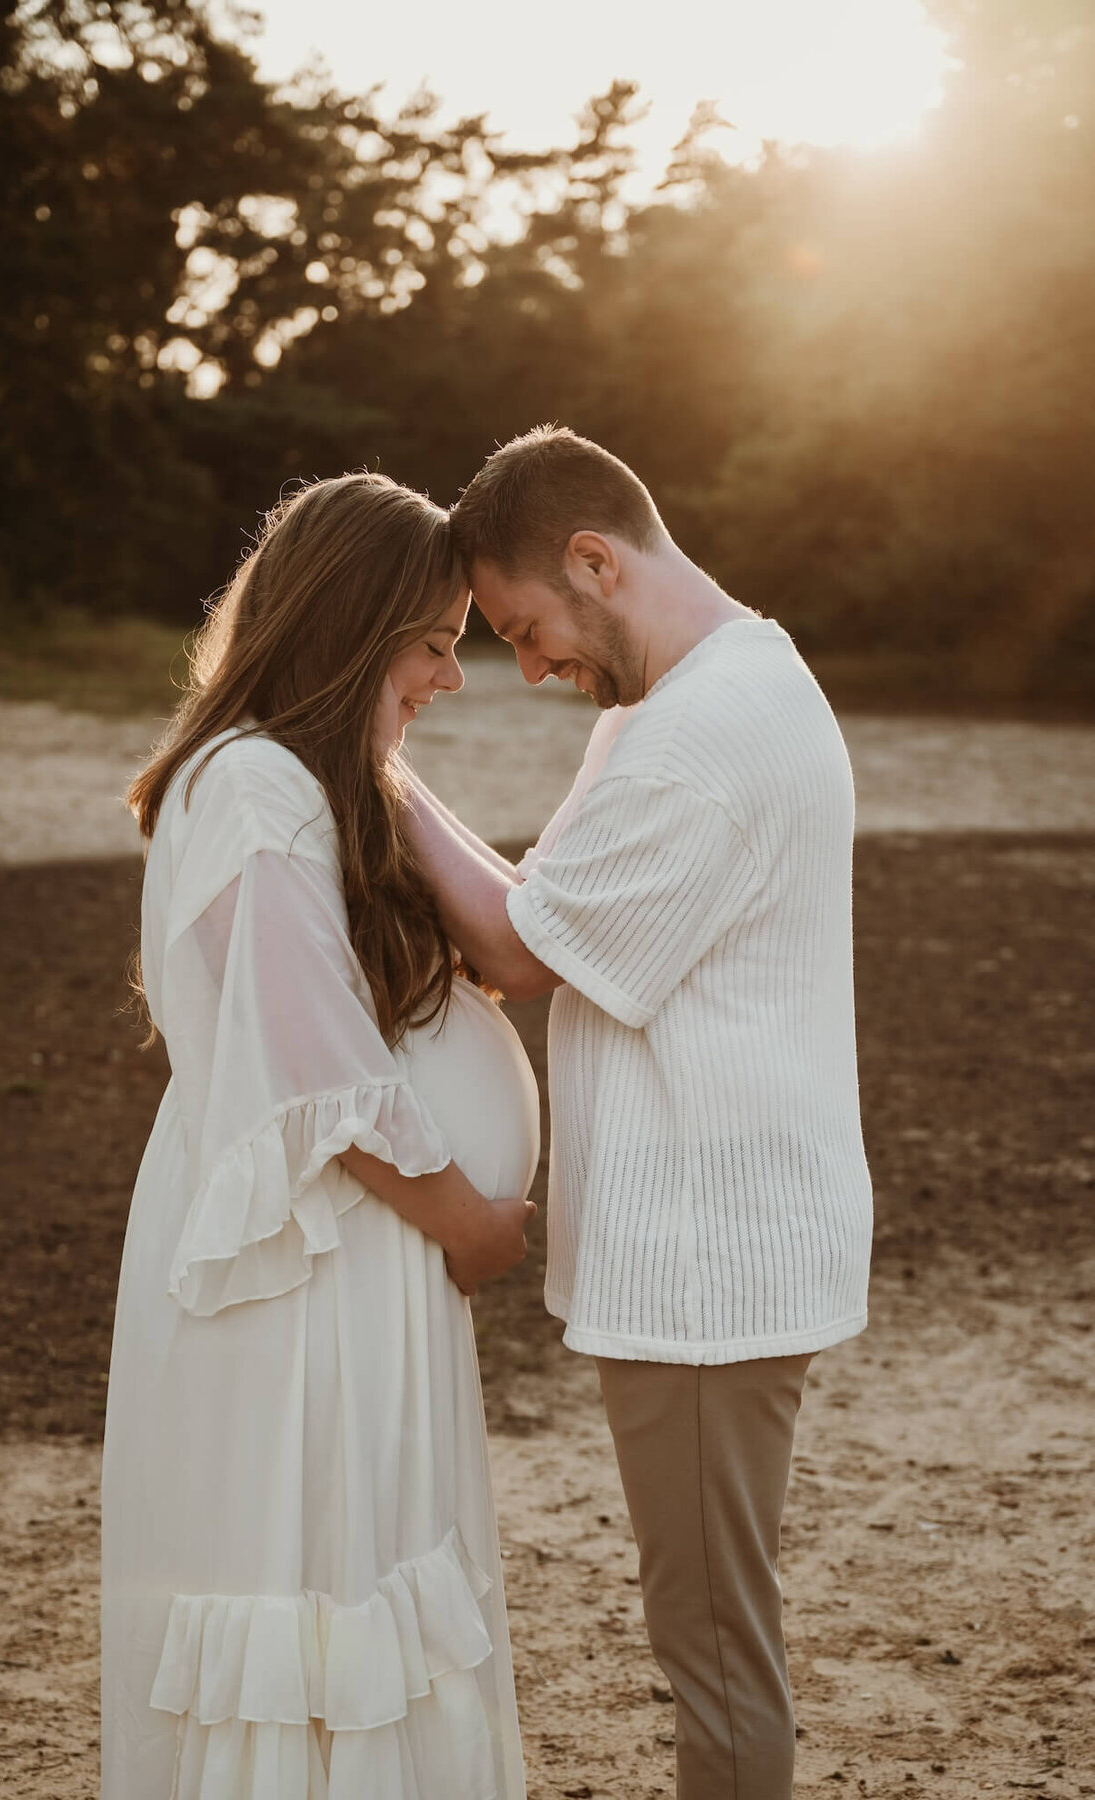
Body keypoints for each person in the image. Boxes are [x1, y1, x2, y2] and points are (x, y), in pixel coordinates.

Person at [404, 427, 873, 1800]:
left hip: (712, 1263)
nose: (534, 667)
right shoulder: (672, 708)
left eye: (528, 628)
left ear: (596, 560)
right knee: (713, 1635)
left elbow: (512, 949)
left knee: (718, 1652)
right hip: (710, 1242)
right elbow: (539, 900)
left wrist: (364, 760)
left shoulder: (705, 735)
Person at [102, 473, 538, 1800]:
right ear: (354, 624)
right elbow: (316, 1073)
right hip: (309, 1255)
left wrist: (375, 750)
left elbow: (514, 945)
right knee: (306, 1571)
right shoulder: (245, 787)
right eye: (435, 642)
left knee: (366, 1562)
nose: (450, 678)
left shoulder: (311, 778)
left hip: (365, 1247)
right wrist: (467, 1216)